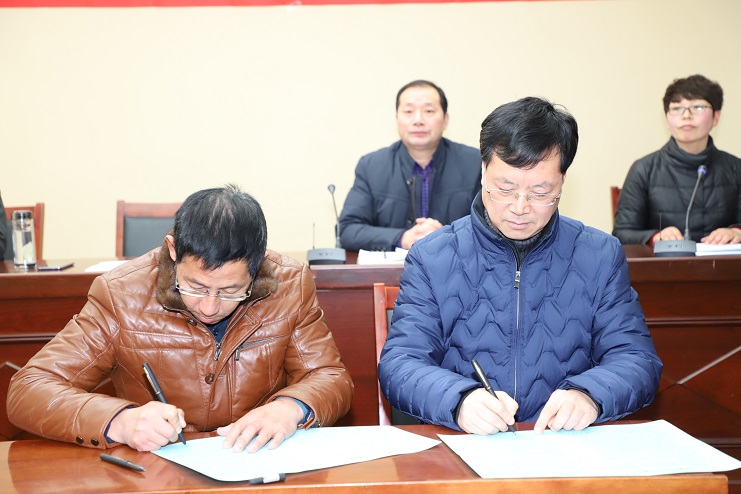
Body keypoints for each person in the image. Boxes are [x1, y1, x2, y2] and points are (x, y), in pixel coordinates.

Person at [378, 97, 662, 436]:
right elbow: (400, 364)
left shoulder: (599, 254)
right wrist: (459, 400)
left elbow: (637, 360)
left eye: (541, 192)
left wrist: (589, 394)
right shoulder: (432, 256)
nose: (520, 207)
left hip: (565, 445)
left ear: (562, 180)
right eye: (505, 188)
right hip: (465, 443)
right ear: (483, 171)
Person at [7, 184, 353, 452]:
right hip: (154, 468)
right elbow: (28, 390)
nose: (209, 307)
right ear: (173, 250)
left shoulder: (290, 283)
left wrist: (290, 408)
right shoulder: (121, 293)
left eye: (231, 291)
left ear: (257, 262)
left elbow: (330, 376)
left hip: (257, 460)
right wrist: (121, 421)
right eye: (195, 287)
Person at [339, 80, 481, 251]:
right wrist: (402, 238)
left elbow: (492, 228)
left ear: (445, 120)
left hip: (456, 265)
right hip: (395, 267)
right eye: (408, 111)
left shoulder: (475, 164)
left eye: (429, 111)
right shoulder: (371, 166)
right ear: (397, 119)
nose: (418, 120)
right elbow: (348, 230)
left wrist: (448, 236)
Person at [613, 74, 741, 245]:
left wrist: (736, 232)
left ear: (716, 117)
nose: (686, 115)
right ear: (666, 118)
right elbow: (622, 233)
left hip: (722, 262)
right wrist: (656, 237)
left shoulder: (736, 168)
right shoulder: (644, 169)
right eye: (677, 108)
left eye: (698, 107)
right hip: (666, 263)